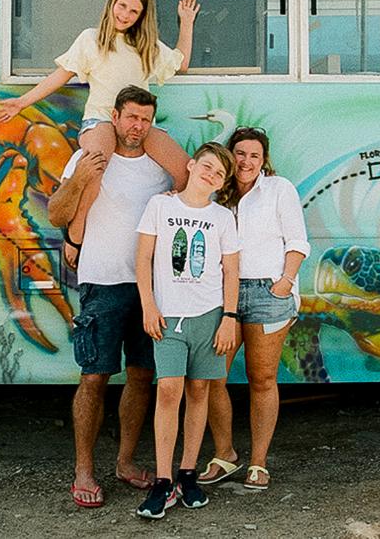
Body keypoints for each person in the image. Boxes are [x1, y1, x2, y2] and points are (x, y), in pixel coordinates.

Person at [0, 0, 199, 271]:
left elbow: (181, 64)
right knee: (95, 166)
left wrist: (186, 22)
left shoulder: (145, 46)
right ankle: (76, 233)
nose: (126, 15)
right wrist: (22, 102)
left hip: (137, 123)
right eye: (122, 6)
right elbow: (60, 75)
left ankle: (166, 231)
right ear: (112, 4)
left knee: (185, 168)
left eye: (134, 12)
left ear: (141, 17)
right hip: (102, 119)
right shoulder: (91, 39)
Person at [48, 85, 173, 508]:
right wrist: (79, 180)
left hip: (149, 288)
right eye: (131, 117)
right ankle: (84, 469)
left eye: (145, 119)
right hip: (101, 282)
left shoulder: (159, 167)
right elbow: (56, 214)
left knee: (141, 375)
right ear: (115, 117)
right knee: (94, 377)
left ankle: (124, 461)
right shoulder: (90, 160)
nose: (137, 126)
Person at [197, 127, 309, 491]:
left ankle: (259, 463)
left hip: (267, 293)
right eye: (240, 153)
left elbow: (297, 241)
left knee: (262, 380)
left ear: (264, 160)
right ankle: (225, 454)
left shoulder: (279, 190)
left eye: (254, 155)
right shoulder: (216, 195)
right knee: (212, 377)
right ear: (231, 156)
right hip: (223, 296)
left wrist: (284, 283)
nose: (246, 161)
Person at [133, 142, 241, 519]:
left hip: (210, 316)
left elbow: (231, 270)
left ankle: (187, 473)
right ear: (192, 166)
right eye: (207, 166)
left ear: (221, 183)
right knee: (168, 389)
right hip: (167, 317)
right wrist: (148, 304)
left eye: (219, 173)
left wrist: (230, 316)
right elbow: (143, 257)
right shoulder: (161, 207)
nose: (210, 175)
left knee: (200, 390)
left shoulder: (223, 217)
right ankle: (163, 482)